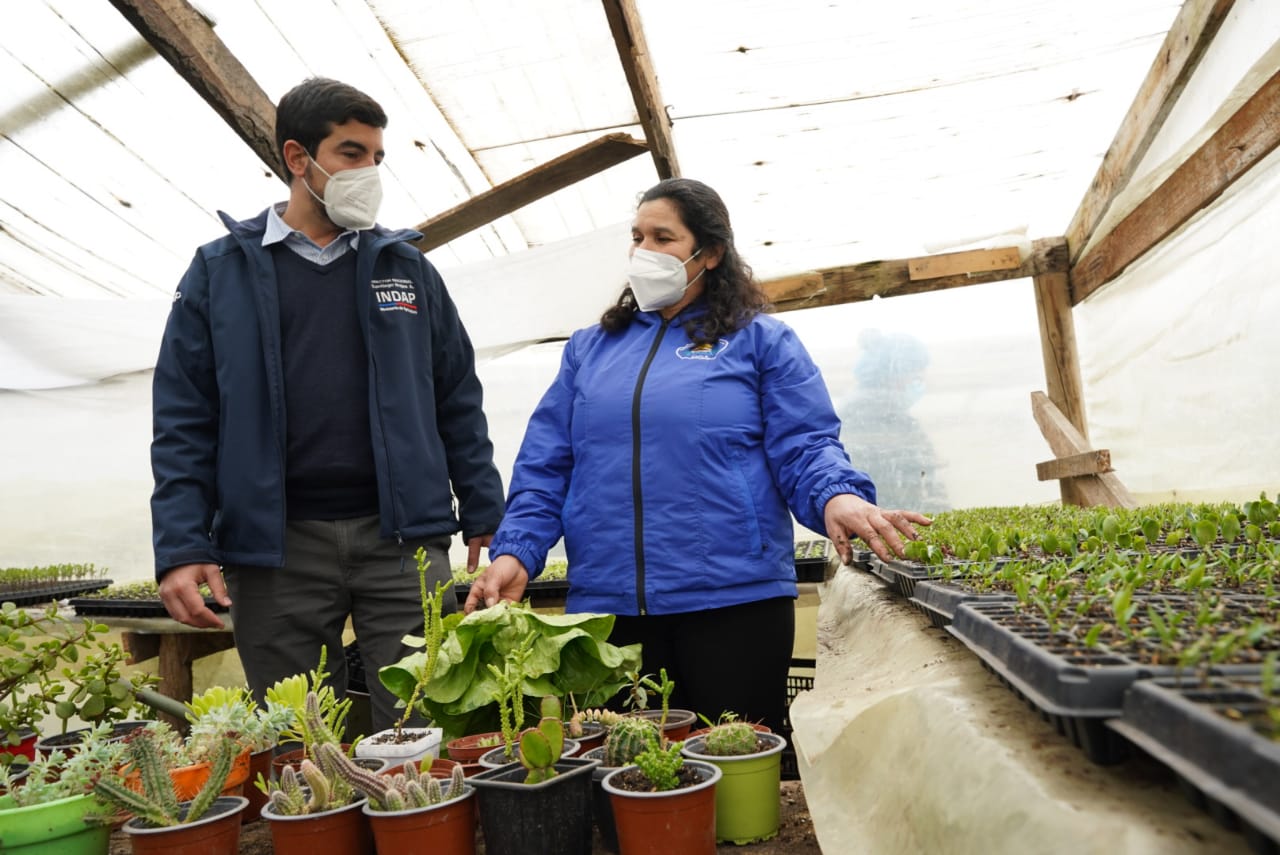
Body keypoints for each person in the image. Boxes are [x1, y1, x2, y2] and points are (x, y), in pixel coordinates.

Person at [465, 177, 928, 733]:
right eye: (637, 237)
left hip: (733, 601)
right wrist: (516, 553)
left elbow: (805, 445)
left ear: (709, 254)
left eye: (663, 237)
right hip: (610, 606)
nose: (644, 251)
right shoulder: (589, 350)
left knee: (733, 773)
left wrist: (838, 495)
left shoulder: (759, 342)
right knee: (633, 773)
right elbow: (546, 469)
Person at [151, 77, 505, 731]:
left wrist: (485, 506)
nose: (368, 171)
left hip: (402, 541)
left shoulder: (407, 269)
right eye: (350, 153)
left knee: (423, 723)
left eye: (377, 156)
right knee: (299, 739)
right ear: (297, 158)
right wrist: (180, 542)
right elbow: (184, 417)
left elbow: (457, 394)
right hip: (276, 545)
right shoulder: (219, 272)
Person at [839, 329, 950, 513]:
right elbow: (905, 482)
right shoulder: (873, 417)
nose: (919, 383)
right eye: (915, 376)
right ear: (892, 373)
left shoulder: (864, 409)